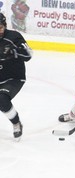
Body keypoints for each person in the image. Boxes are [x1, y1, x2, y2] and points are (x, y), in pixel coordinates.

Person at [0, 12, 32, 141]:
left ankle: (16, 123)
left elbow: (29, 55)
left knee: (2, 99)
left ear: (5, 26)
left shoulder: (14, 37)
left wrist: (14, 52)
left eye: (0, 27)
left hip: (14, 78)